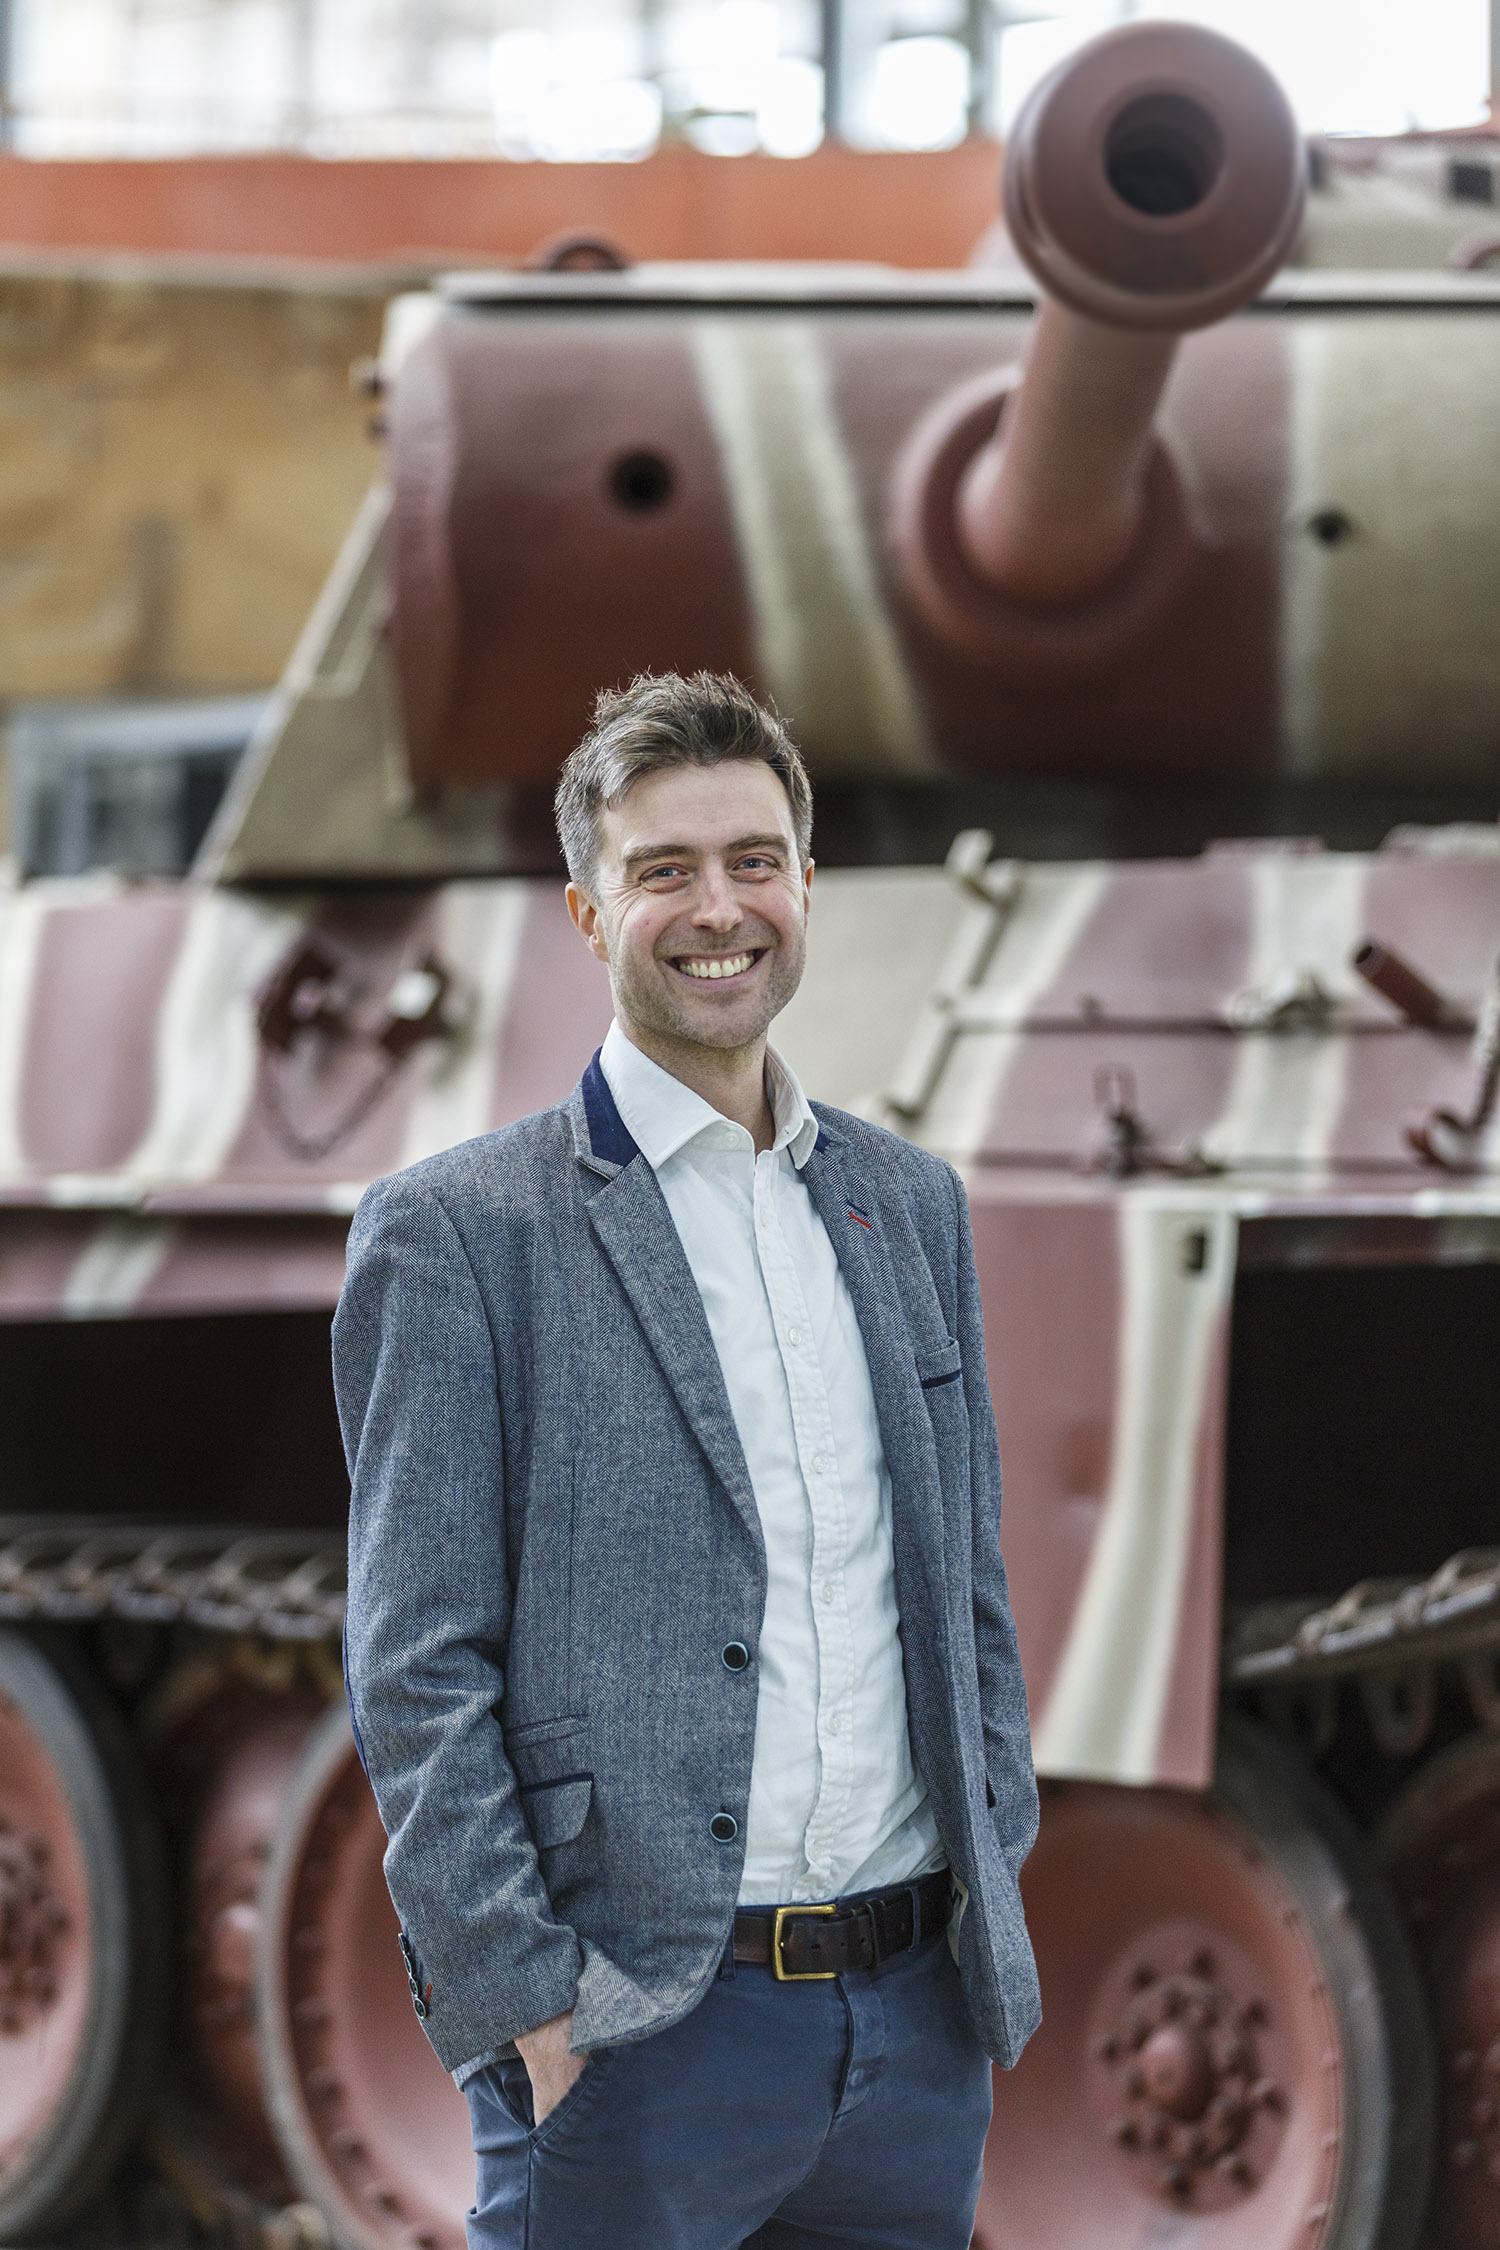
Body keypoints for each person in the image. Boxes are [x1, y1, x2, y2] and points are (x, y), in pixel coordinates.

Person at [333, 671, 1040, 2250]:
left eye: (752, 859)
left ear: (804, 886)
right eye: (664, 870)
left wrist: (986, 1856)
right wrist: (531, 2007)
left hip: (911, 2029)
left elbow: (964, 1582)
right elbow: (412, 1662)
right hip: (640, 2038)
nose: (717, 907)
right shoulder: (460, 1234)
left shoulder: (910, 1203)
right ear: (588, 912)